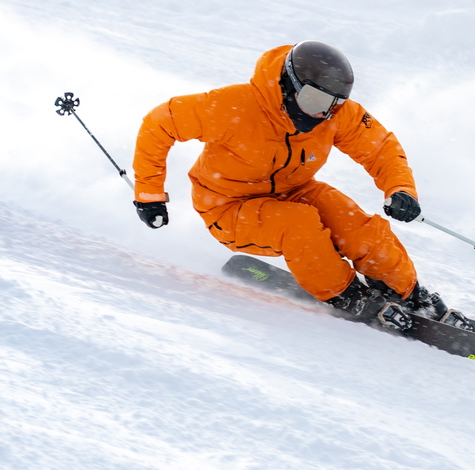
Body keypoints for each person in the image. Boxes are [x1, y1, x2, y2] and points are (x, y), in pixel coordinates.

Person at [131, 40, 454, 331]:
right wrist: (149, 194)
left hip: (294, 190)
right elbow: (161, 122)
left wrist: (401, 190)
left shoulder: (331, 114)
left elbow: (380, 147)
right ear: (288, 85)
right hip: (229, 206)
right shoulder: (235, 106)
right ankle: (346, 295)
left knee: (355, 224)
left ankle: (407, 291)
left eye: (334, 103)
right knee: (299, 224)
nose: (322, 113)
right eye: (314, 99)